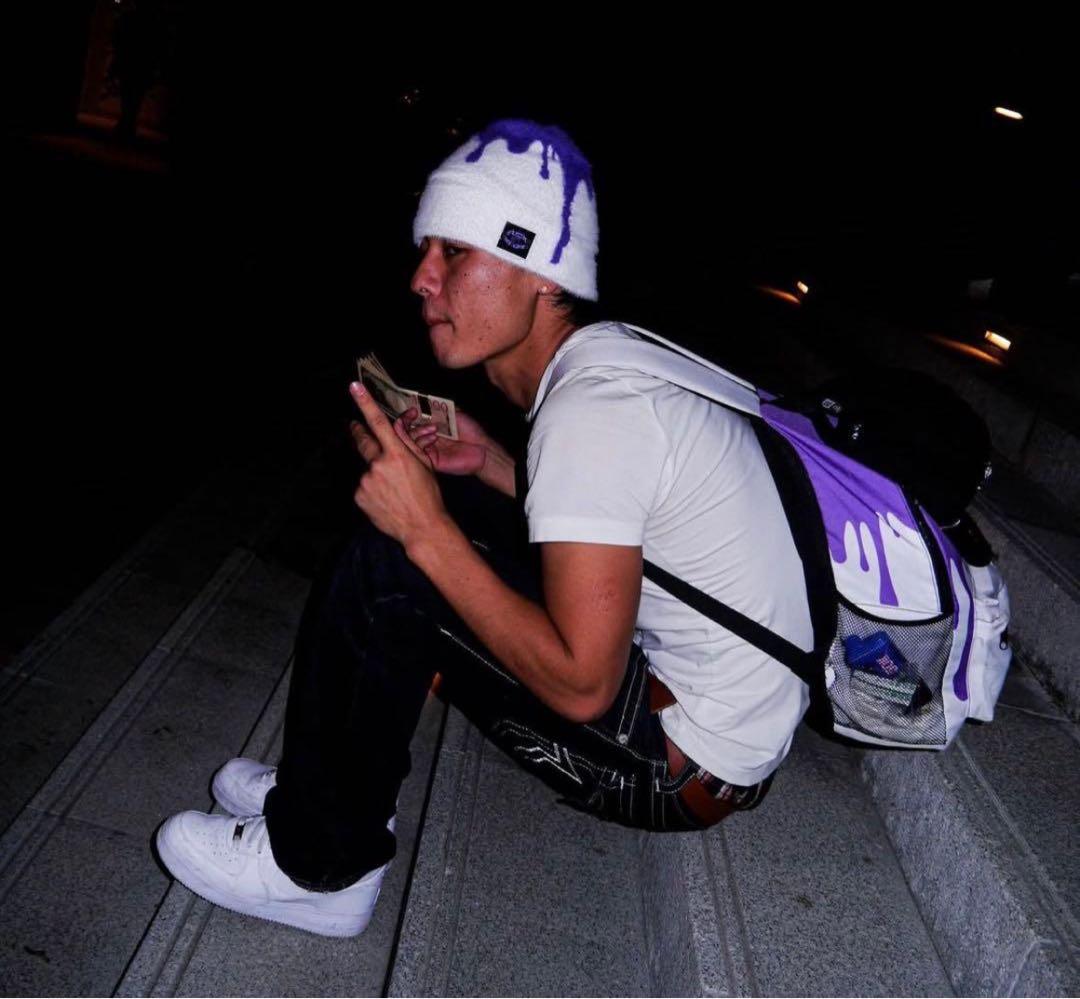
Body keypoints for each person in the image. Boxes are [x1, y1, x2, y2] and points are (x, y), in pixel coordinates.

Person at [156, 118, 814, 938]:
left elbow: (583, 685)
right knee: (442, 516)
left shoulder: (591, 412)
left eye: (456, 252)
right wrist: (495, 463)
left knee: (398, 564)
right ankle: (332, 790)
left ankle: (319, 864)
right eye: (426, 250)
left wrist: (426, 530)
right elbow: (632, 517)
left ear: (540, 272)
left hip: (682, 763)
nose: (422, 279)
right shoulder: (609, 360)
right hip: (710, 708)